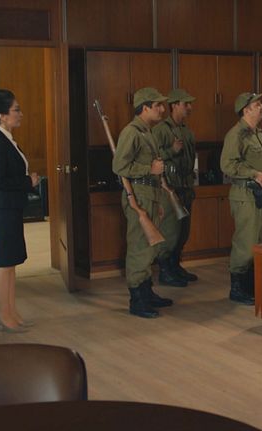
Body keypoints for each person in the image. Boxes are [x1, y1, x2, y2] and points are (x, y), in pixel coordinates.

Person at [0, 89, 40, 333]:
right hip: (2, 209)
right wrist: (28, 182)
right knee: (4, 264)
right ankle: (4, 315)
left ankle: (11, 312)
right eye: (16, 110)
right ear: (2, 115)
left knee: (11, 262)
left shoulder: (6, 139)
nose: (21, 114)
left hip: (10, 208)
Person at [112, 87, 174, 318]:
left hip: (151, 193)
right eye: (157, 105)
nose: (162, 109)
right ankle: (137, 300)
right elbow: (119, 166)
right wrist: (149, 168)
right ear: (144, 108)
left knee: (150, 247)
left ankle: (146, 292)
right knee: (140, 247)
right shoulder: (132, 132)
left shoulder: (148, 132)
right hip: (139, 194)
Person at [220, 92, 262, 305]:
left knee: (261, 241)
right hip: (246, 195)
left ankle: (253, 284)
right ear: (246, 110)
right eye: (257, 104)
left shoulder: (259, 134)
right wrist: (252, 173)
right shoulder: (236, 135)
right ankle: (238, 288)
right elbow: (227, 165)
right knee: (246, 242)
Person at [152, 89, 198, 287]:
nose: (189, 107)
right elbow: (152, 156)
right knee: (170, 231)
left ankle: (175, 265)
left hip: (185, 186)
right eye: (185, 104)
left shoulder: (187, 131)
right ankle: (165, 270)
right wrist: (172, 150)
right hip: (169, 187)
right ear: (174, 105)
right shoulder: (161, 130)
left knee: (183, 232)